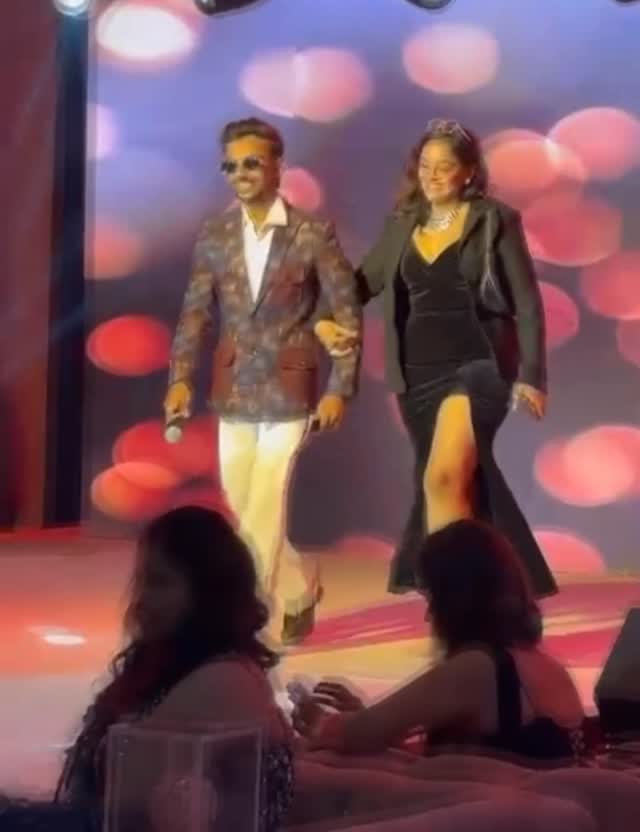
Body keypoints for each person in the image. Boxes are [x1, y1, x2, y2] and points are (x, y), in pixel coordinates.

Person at [315, 118, 555, 598]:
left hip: (480, 364)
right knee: (459, 482)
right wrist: (324, 319)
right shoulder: (402, 224)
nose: (433, 175)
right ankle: (489, 588)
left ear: (468, 172)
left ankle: (453, 597)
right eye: (425, 166)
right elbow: (361, 284)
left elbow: (527, 302)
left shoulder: (494, 220)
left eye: (445, 166)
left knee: (443, 478)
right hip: (416, 374)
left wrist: (532, 375)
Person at [164, 118, 361, 644]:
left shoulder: (311, 232)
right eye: (231, 166)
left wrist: (340, 388)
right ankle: (299, 588)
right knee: (243, 501)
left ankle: (240, 619)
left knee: (266, 498)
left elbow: (346, 312)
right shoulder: (215, 235)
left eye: (251, 162)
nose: (241, 174)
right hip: (233, 387)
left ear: (278, 166)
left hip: (290, 388)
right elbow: (195, 314)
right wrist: (180, 378)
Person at [0, 507, 294, 832]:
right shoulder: (175, 666)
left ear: (207, 594)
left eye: (159, 583)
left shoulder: (226, 680)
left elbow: (126, 789)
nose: (141, 600)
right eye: (142, 581)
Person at [294, 520, 584, 762]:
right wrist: (368, 721)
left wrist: (317, 719)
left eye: (432, 598)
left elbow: (355, 734)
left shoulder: (478, 667)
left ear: (456, 600)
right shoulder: (550, 668)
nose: (428, 615)